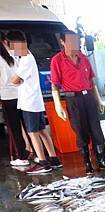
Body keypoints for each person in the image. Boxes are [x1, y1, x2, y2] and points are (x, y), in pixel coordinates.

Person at [50, 30, 105, 174]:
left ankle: (102, 162)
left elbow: (91, 80)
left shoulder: (83, 58)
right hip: (73, 99)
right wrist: (58, 105)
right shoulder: (57, 60)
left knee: (97, 130)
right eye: (70, 41)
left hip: (88, 97)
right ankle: (88, 164)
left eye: (76, 41)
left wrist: (98, 100)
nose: (75, 44)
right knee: (81, 132)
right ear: (62, 42)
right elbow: (55, 84)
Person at [8, 31, 60, 175]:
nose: (11, 48)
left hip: (29, 102)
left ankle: (43, 163)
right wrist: (19, 80)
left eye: (11, 45)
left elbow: (14, 80)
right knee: (42, 131)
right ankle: (54, 159)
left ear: (18, 43)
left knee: (32, 133)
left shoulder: (26, 59)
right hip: (33, 101)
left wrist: (17, 80)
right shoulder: (25, 57)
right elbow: (18, 80)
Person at [0, 32, 29, 167]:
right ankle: (33, 151)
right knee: (27, 126)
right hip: (21, 94)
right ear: (5, 40)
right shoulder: (13, 54)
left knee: (14, 129)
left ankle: (22, 156)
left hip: (7, 97)